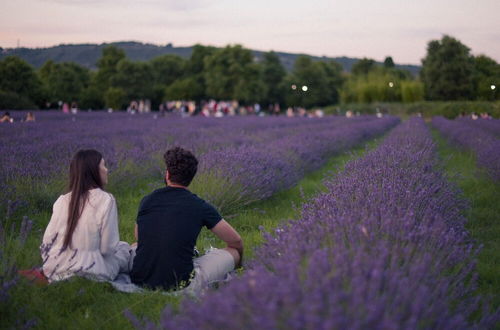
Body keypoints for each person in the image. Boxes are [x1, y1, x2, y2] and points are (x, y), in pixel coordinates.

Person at [130, 147, 243, 293]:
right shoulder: (200, 206)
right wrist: (240, 261)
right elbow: (236, 241)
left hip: (140, 280)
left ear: (167, 174)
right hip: (180, 283)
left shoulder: (147, 200)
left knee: (135, 244)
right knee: (234, 251)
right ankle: (235, 266)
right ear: (191, 178)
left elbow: (140, 237)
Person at [40, 150, 130, 283]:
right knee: (124, 248)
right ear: (93, 171)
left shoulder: (61, 200)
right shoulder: (106, 199)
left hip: (55, 272)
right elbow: (107, 249)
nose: (107, 170)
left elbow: (46, 244)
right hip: (93, 272)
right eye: (104, 166)